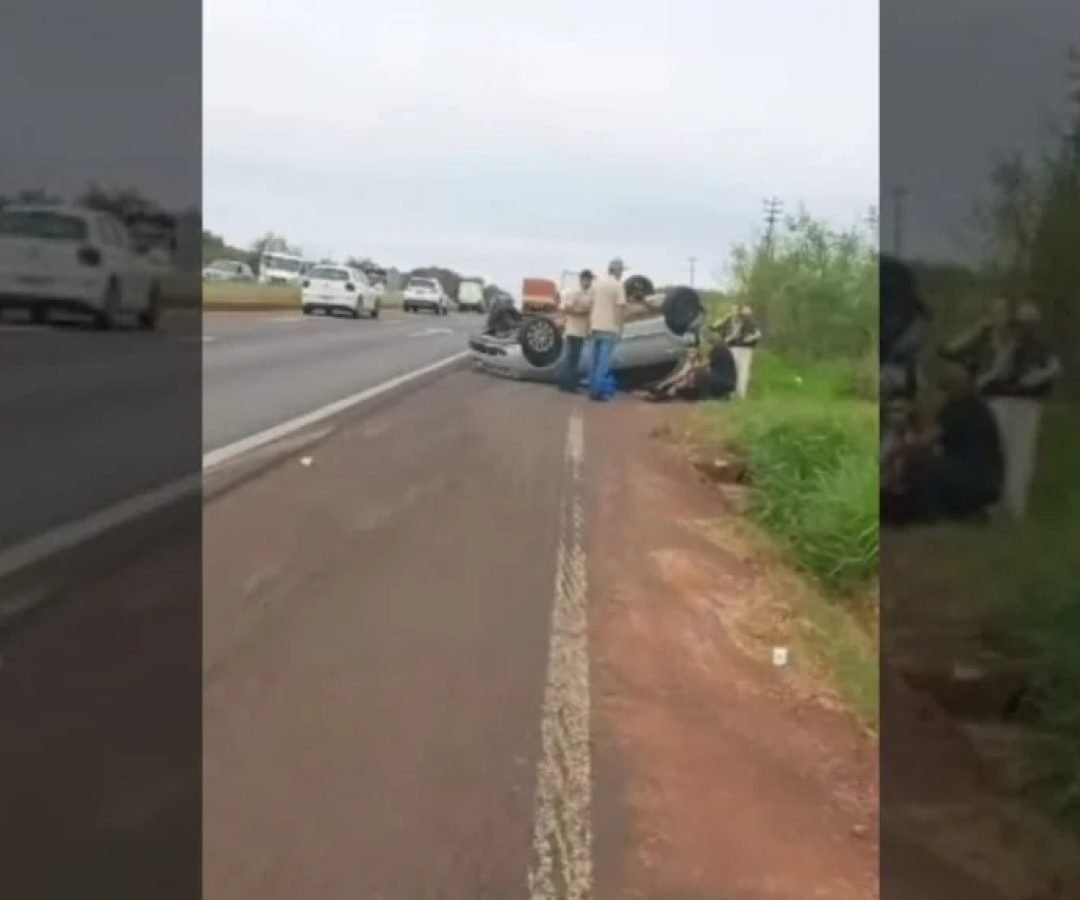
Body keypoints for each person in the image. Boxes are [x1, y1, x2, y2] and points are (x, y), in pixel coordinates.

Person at [942, 299, 1061, 517]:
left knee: (1021, 452)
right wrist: (977, 329)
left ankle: (1015, 506)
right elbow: (949, 352)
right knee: (996, 450)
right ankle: (992, 502)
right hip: (992, 400)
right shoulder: (983, 340)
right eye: (995, 312)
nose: (1000, 317)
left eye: (1004, 312)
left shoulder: (1025, 340)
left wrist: (1032, 378)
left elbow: (1049, 366)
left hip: (1025, 402)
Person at [881, 362, 1004, 526]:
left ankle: (932, 515)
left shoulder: (962, 409)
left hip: (974, 478)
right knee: (924, 465)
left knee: (923, 467)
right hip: (981, 477)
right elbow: (929, 438)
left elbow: (925, 441)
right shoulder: (973, 407)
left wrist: (895, 453)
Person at [587, 258, 627, 401]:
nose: (622, 273)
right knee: (603, 364)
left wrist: (589, 325)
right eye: (621, 270)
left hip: (595, 327)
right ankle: (597, 393)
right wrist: (620, 328)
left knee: (593, 362)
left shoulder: (596, 283)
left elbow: (590, 306)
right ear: (616, 270)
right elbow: (620, 309)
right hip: (609, 329)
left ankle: (592, 390)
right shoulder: (618, 285)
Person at [711, 304, 762, 399]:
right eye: (732, 310)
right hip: (733, 347)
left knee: (743, 370)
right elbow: (713, 327)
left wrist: (749, 338)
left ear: (739, 312)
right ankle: (734, 392)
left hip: (745, 348)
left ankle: (741, 393)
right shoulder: (728, 321)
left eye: (735, 310)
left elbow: (757, 333)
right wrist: (725, 317)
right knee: (734, 370)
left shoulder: (746, 321)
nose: (733, 312)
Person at [557, 269, 594, 393]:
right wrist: (580, 312)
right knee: (570, 359)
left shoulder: (589, 295)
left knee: (574, 359)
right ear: (582, 280)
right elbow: (565, 308)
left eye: (590, 280)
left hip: (581, 331)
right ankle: (568, 384)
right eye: (586, 279)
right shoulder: (575, 293)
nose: (588, 282)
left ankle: (567, 384)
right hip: (572, 330)